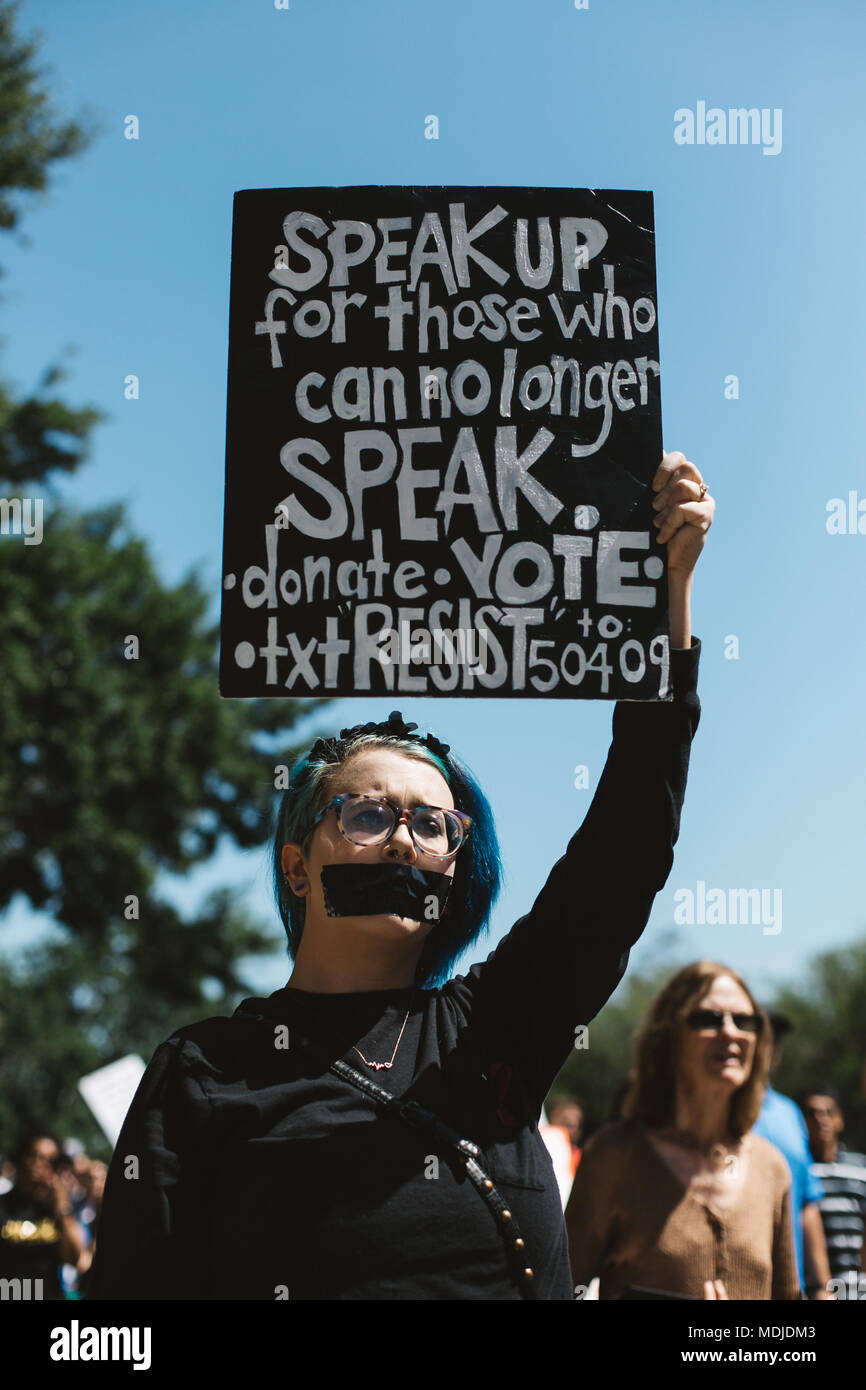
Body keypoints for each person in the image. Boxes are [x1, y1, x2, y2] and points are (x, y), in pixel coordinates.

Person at [87, 451, 711, 1301]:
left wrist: (665, 595)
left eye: (432, 825)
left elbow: (629, 844)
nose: (403, 843)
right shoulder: (205, 1071)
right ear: (297, 868)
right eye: (368, 815)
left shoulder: (504, 1023)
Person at [565, 961, 801, 1300]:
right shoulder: (614, 1155)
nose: (731, 1032)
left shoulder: (772, 1167)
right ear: (668, 1037)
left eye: (745, 1021)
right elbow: (560, 1288)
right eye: (708, 1019)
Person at [752, 1012, 831, 1299]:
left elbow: (806, 1204)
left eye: (774, 1040)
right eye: (760, 1037)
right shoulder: (715, 1111)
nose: (768, 1046)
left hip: (789, 1287)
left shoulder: (790, 1113)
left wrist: (823, 1286)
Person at [0, 1133, 85, 1300]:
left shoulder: (54, 1211)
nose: (39, 1164)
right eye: (35, 1155)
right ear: (22, 1156)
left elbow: (74, 1259)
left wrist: (63, 1208)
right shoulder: (3, 1206)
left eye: (49, 1160)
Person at [801, 1087, 866, 1287]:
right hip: (811, 1289)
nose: (822, 1119)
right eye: (813, 1113)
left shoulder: (860, 1167)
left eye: (829, 1112)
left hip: (856, 1286)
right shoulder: (798, 1169)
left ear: (840, 1120)